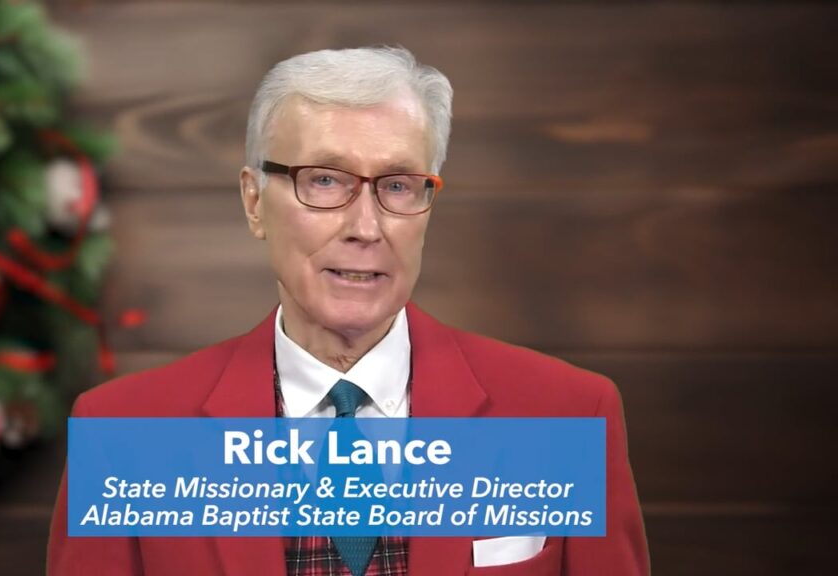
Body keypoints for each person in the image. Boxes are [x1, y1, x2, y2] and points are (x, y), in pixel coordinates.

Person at [47, 46, 649, 575]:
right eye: (326, 181)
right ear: (254, 202)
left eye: (398, 185)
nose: (367, 228)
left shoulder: (568, 418)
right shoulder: (125, 437)